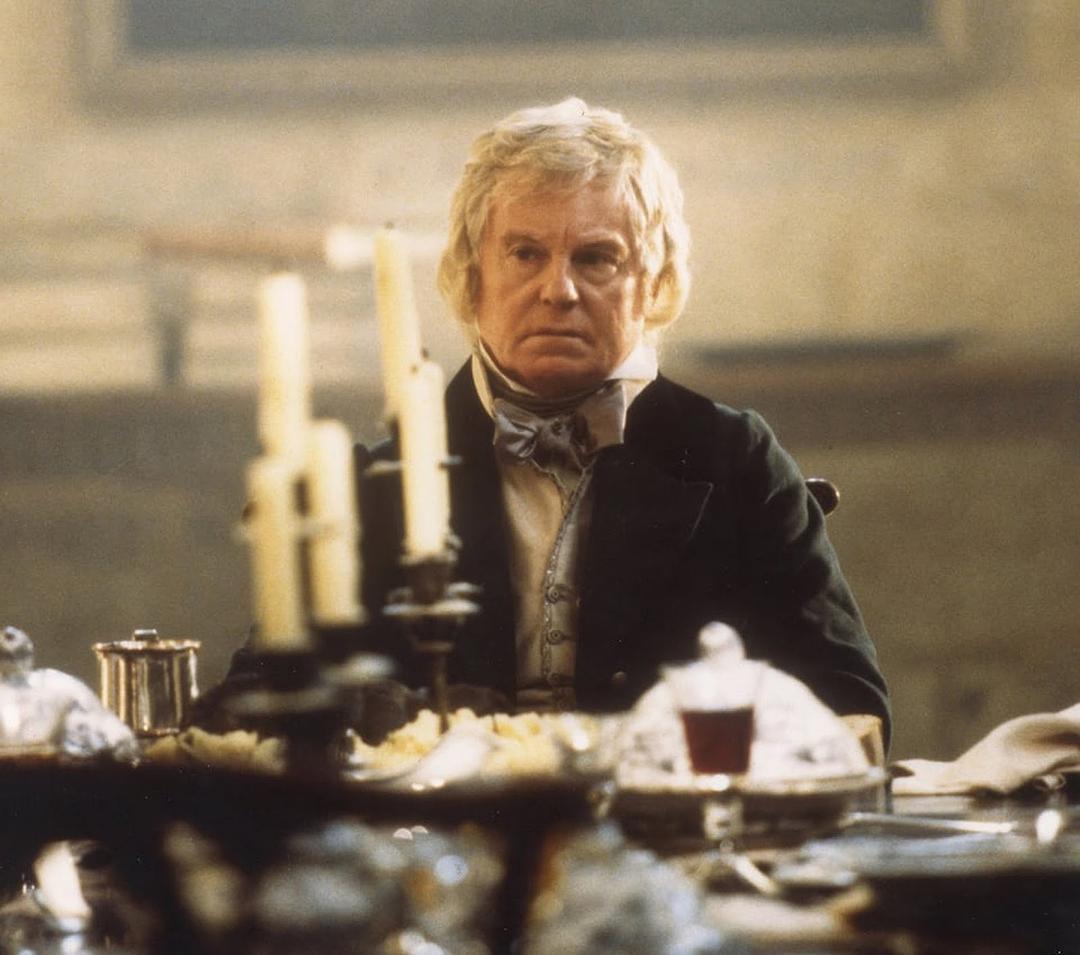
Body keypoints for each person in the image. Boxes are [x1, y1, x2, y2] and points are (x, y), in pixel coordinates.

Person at [354, 98, 891, 747]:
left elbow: (848, 703)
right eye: (525, 253)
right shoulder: (378, 481)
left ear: (655, 282)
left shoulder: (735, 460)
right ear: (471, 277)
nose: (558, 290)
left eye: (596, 258)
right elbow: (277, 704)